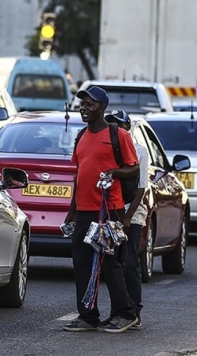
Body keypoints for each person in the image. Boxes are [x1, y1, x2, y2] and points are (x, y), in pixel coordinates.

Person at [63, 86, 140, 333]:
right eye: (82, 103)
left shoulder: (119, 135)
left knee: (110, 264)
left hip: (110, 210)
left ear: (102, 108)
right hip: (84, 210)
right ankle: (88, 316)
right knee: (82, 263)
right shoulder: (81, 136)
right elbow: (79, 175)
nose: (84, 108)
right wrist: (72, 210)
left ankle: (125, 314)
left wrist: (114, 172)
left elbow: (134, 168)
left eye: (90, 104)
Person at [104, 109, 149, 330]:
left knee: (130, 262)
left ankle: (134, 311)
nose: (115, 129)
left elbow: (141, 187)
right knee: (113, 264)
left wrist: (128, 217)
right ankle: (118, 311)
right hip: (112, 212)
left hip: (132, 213)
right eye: (111, 125)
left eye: (119, 125)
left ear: (127, 127)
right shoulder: (108, 150)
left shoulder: (139, 151)